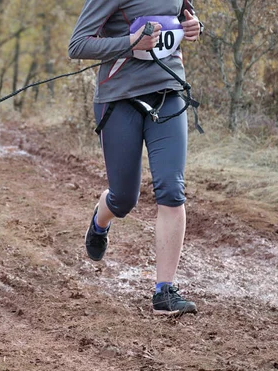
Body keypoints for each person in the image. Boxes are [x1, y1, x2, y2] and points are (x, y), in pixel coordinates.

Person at [68, 0, 203, 316]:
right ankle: (101, 221)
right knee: (124, 199)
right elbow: (77, 45)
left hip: (169, 93)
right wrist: (131, 43)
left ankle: (164, 291)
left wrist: (195, 27)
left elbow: (183, 17)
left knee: (171, 189)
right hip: (119, 99)